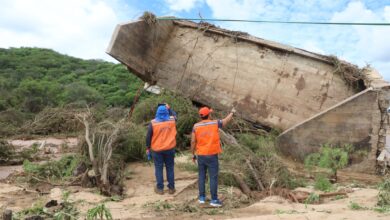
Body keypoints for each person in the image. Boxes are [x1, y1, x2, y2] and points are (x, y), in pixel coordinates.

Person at [191, 106, 236, 207]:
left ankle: (201, 198)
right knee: (213, 177)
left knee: (201, 176)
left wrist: (193, 154)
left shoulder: (196, 126)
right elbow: (225, 121)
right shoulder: (214, 123)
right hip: (212, 155)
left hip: (201, 155)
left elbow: (193, 141)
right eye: (210, 113)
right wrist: (232, 113)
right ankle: (214, 200)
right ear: (209, 115)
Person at [146, 103, 177, 195]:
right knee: (170, 168)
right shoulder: (172, 120)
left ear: (157, 112)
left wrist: (148, 147)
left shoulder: (153, 123)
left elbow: (148, 137)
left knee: (159, 168)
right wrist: (170, 108)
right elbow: (175, 115)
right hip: (170, 148)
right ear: (167, 111)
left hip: (157, 150)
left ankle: (160, 189)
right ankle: (171, 188)